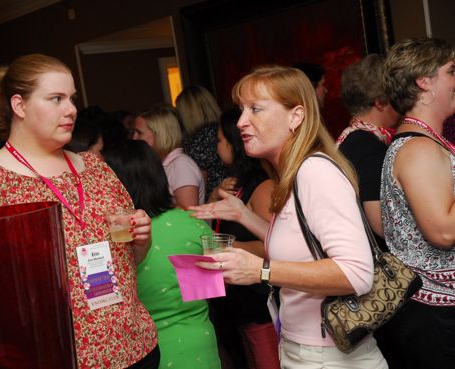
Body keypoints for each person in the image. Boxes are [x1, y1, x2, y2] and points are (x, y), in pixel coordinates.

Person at [0, 54, 159, 369]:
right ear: (19, 105)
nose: (71, 109)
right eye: (56, 99)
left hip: (137, 349)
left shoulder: (96, 169)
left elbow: (126, 262)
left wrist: (140, 240)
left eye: (71, 99)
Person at [190, 65, 386, 368]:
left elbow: (356, 274)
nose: (242, 121)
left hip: (331, 357)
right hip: (303, 348)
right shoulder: (291, 174)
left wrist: (262, 271)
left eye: (256, 109)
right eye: (242, 109)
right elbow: (301, 248)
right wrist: (245, 217)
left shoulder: (315, 172)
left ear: (296, 116)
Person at [105, 140, 221, 369]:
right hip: (199, 346)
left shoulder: (115, 238)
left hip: (144, 354)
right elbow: (210, 289)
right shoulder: (193, 224)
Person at [380, 37, 455, 369]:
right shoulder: (418, 149)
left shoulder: (424, 142)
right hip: (435, 315)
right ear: (424, 82)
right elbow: (443, 230)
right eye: (451, 71)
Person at [210, 108, 279, 369]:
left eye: (219, 140)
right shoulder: (233, 183)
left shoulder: (262, 187)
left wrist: (225, 247)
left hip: (258, 304)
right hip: (238, 303)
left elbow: (271, 246)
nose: (216, 147)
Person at [337, 54, 400, 250]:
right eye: (396, 95)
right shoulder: (368, 146)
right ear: (380, 102)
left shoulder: (351, 137)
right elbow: (381, 224)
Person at [133, 104, 205, 208]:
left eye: (139, 133)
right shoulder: (158, 164)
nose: (134, 138)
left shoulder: (181, 165)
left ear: (159, 134)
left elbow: (188, 213)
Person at [175, 85, 226, 200]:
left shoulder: (196, 140)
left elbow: (200, 182)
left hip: (214, 200)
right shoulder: (223, 129)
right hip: (235, 192)